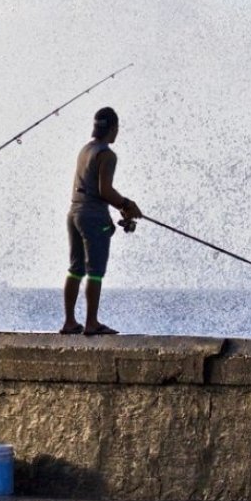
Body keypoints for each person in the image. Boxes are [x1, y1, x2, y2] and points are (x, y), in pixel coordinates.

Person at [61, 107, 142, 336]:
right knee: (95, 270)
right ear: (113, 129)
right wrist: (127, 204)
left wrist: (120, 207)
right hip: (93, 216)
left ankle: (69, 322)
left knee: (75, 268)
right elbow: (104, 190)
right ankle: (91, 323)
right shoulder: (107, 154)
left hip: (74, 213)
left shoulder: (85, 150)